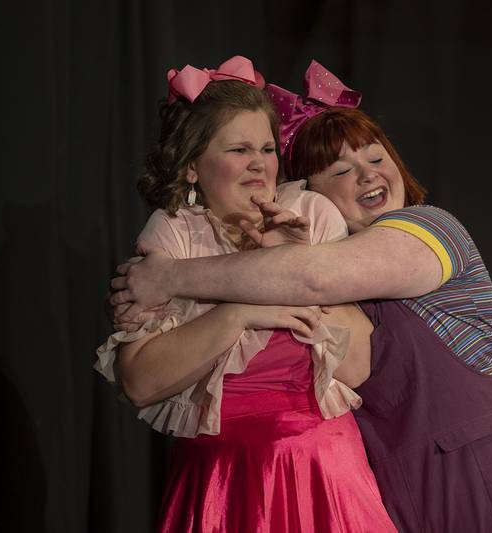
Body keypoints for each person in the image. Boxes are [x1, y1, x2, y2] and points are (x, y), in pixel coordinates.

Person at [110, 60, 492, 532]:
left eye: (377, 158)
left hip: (489, 471)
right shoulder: (285, 242)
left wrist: (168, 278)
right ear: (307, 190)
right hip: (396, 485)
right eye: (341, 170)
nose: (368, 176)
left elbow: (312, 279)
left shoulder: (430, 227)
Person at [95, 56, 396, 532]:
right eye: (238, 149)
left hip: (322, 472)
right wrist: (239, 312)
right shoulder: (173, 233)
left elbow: (358, 368)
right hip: (222, 484)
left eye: (268, 148)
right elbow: (141, 382)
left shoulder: (310, 214)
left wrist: (290, 268)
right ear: (192, 166)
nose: (260, 163)